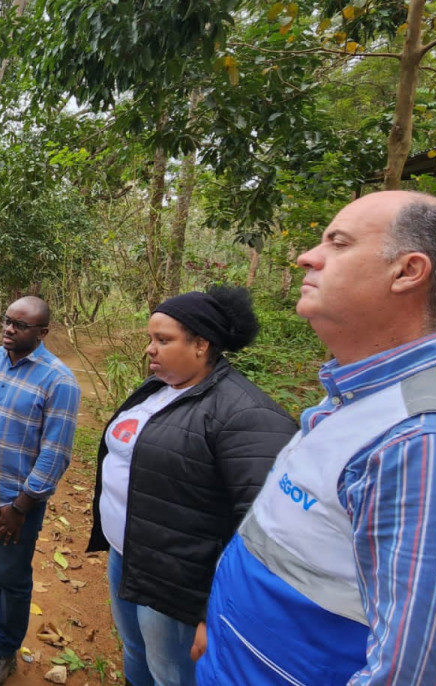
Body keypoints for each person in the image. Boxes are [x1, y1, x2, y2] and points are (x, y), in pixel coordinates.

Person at [194, 191, 436, 685]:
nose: (306, 257)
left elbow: (415, 671)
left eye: (338, 243)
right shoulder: (354, 395)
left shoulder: (426, 438)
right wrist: (221, 623)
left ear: (407, 271)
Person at [87, 287, 296, 686]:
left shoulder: (246, 414)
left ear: (201, 344)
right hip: (127, 556)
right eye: (150, 338)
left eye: (163, 340)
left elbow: (261, 528)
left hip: (180, 584)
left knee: (172, 673)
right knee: (135, 651)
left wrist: (215, 611)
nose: (150, 349)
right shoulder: (157, 389)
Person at [0, 296, 81, 686]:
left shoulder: (59, 381)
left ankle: (4, 651)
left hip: (16, 503)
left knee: (13, 577)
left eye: (19, 325)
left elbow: (55, 453)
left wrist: (20, 508)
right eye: (7, 321)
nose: (8, 328)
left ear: (42, 332)